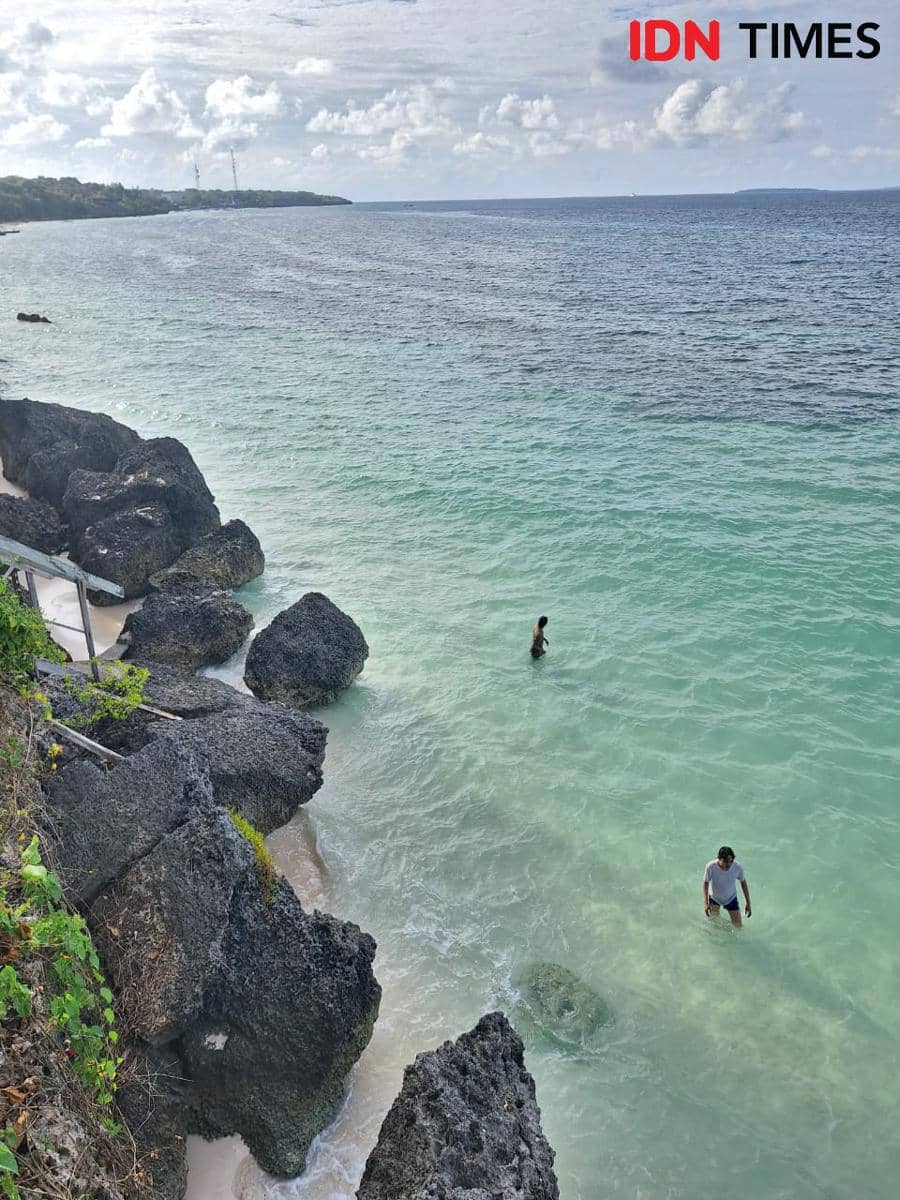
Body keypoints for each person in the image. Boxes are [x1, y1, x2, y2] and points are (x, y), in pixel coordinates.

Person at [703, 846, 751, 927]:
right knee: (714, 924)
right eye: (725, 861)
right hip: (714, 899)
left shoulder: (737, 867)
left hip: (731, 899)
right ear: (719, 858)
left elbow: (743, 883)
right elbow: (705, 883)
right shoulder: (710, 867)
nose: (729, 864)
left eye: (731, 861)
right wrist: (705, 903)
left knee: (738, 926)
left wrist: (748, 903)